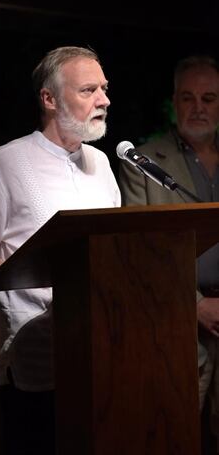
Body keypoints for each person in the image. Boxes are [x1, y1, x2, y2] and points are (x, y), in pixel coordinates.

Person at [0, 46, 121, 454]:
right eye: (88, 90)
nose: (104, 100)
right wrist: (33, 272)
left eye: (104, 88)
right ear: (49, 99)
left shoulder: (101, 162)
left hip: (102, 351)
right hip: (39, 357)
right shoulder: (7, 163)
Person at [118, 55, 219, 451]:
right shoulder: (142, 162)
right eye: (188, 97)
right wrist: (193, 304)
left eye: (209, 98)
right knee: (173, 436)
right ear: (174, 101)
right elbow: (136, 249)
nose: (198, 107)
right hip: (174, 324)